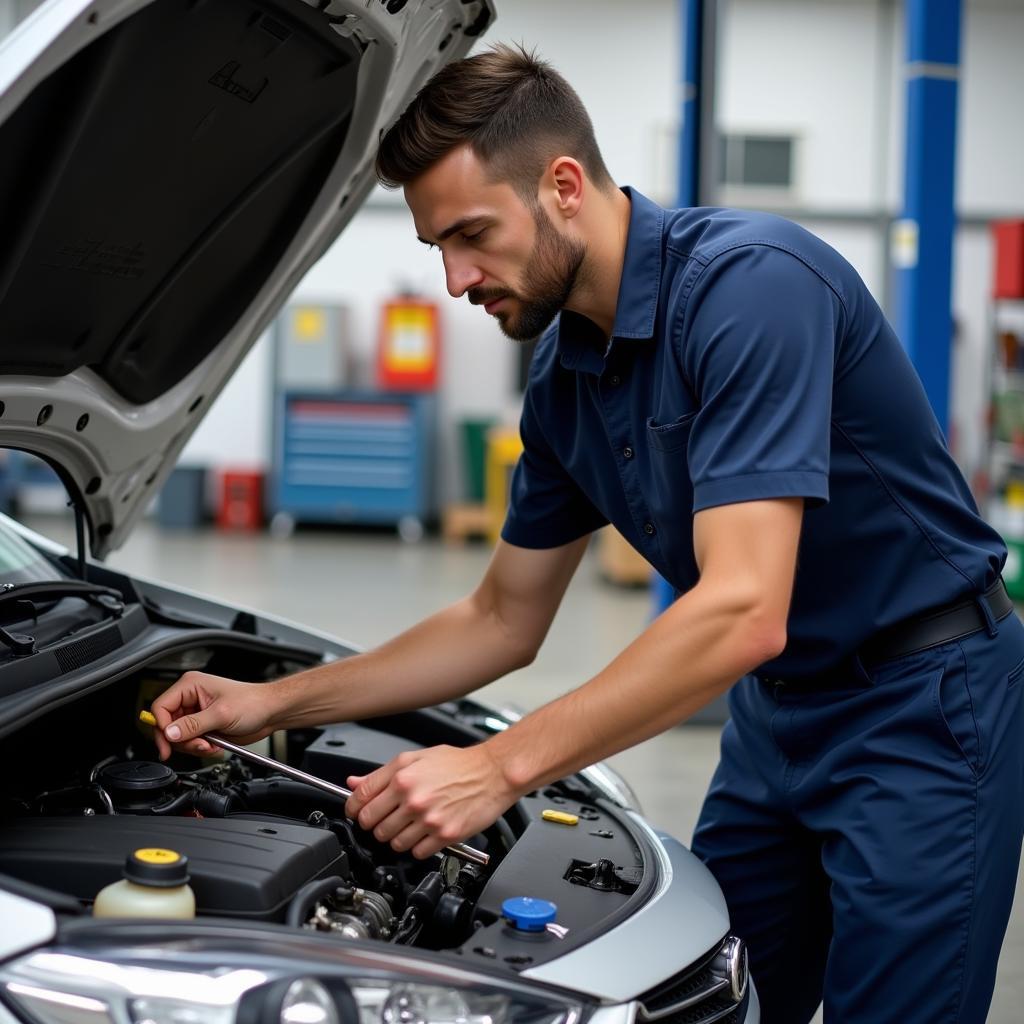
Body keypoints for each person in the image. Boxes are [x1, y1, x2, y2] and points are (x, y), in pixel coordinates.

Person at [151, 44, 1024, 1024]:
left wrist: (496, 765)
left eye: (472, 234)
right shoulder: (565, 380)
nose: (454, 279)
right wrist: (272, 698)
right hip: (779, 717)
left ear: (563, 185)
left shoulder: (751, 290)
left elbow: (741, 608)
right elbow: (497, 617)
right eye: (438, 244)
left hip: (924, 707)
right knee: (711, 997)